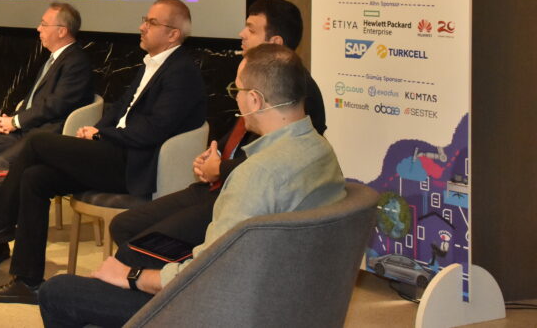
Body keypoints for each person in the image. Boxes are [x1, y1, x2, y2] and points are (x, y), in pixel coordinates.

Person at [37, 44, 347, 327]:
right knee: (135, 251)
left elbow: (208, 272)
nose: (236, 98)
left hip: (223, 309)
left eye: (237, 90)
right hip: (288, 293)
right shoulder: (322, 151)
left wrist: (133, 277)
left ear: (254, 100)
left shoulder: (257, 174)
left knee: (59, 290)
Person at [0, 0, 207, 304]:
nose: (141, 27)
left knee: (38, 142)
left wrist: (103, 134)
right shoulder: (151, 64)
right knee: (35, 178)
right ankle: (27, 281)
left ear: (173, 34)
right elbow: (119, 110)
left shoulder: (181, 73)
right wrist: (96, 131)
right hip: (114, 152)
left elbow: (153, 130)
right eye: (144, 19)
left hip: (135, 165)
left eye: (151, 23)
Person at [102, 0, 326, 269]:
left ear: (275, 42)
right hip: (214, 187)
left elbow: (283, 165)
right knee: (125, 225)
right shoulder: (254, 78)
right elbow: (239, 137)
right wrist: (214, 153)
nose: (241, 34)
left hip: (240, 197)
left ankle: (168, 282)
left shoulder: (298, 92)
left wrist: (220, 168)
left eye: (251, 29)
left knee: (139, 249)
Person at [0, 2, 94, 219]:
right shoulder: (53, 59)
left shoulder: (76, 62)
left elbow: (55, 105)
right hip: (27, 130)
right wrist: (12, 119)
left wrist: (16, 122)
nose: (38, 28)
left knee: (3, 162)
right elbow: (35, 101)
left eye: (44, 24)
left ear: (62, 31)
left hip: (47, 136)